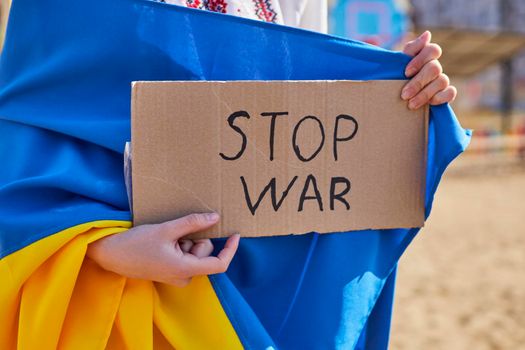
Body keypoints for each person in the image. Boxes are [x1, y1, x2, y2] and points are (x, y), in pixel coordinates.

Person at [86, 0, 457, 288]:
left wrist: (401, 87)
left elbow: (311, 92)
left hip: (267, 280)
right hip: (124, 281)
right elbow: (48, 108)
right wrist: (98, 249)